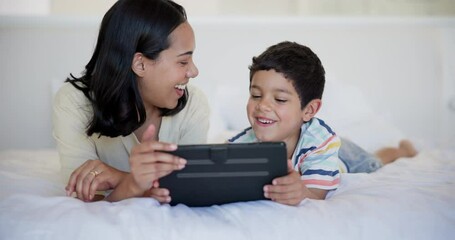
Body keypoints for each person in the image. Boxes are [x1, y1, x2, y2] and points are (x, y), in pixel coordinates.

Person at [52, 0, 209, 203]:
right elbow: (82, 192)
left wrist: (122, 179)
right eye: (183, 61)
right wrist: (137, 184)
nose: (194, 71)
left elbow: (188, 189)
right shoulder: (74, 102)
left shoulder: (193, 104)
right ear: (140, 64)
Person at [228, 41, 417, 206]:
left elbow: (316, 193)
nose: (262, 106)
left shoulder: (320, 143)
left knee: (374, 162)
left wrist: (301, 191)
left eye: (280, 99)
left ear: (309, 110)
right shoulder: (241, 143)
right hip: (326, 145)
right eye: (256, 95)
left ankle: (402, 150)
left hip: (343, 154)